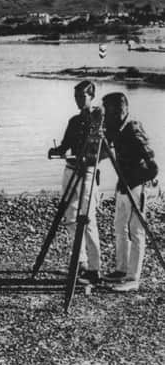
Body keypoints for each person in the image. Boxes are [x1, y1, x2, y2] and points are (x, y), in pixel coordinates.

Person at [48, 80, 106, 284]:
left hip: (88, 173)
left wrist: (91, 159)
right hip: (71, 170)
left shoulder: (99, 119)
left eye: (82, 96)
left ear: (91, 96)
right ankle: (79, 261)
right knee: (70, 217)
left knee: (88, 220)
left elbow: (105, 150)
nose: (78, 100)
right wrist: (55, 151)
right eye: (76, 96)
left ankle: (95, 267)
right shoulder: (74, 121)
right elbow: (65, 146)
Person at [102, 92, 158, 292]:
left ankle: (133, 278)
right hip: (122, 185)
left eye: (108, 110)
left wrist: (142, 185)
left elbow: (153, 166)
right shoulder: (115, 129)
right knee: (119, 227)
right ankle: (121, 269)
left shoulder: (133, 129)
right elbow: (104, 146)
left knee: (136, 231)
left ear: (120, 110)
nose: (106, 115)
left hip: (135, 186)